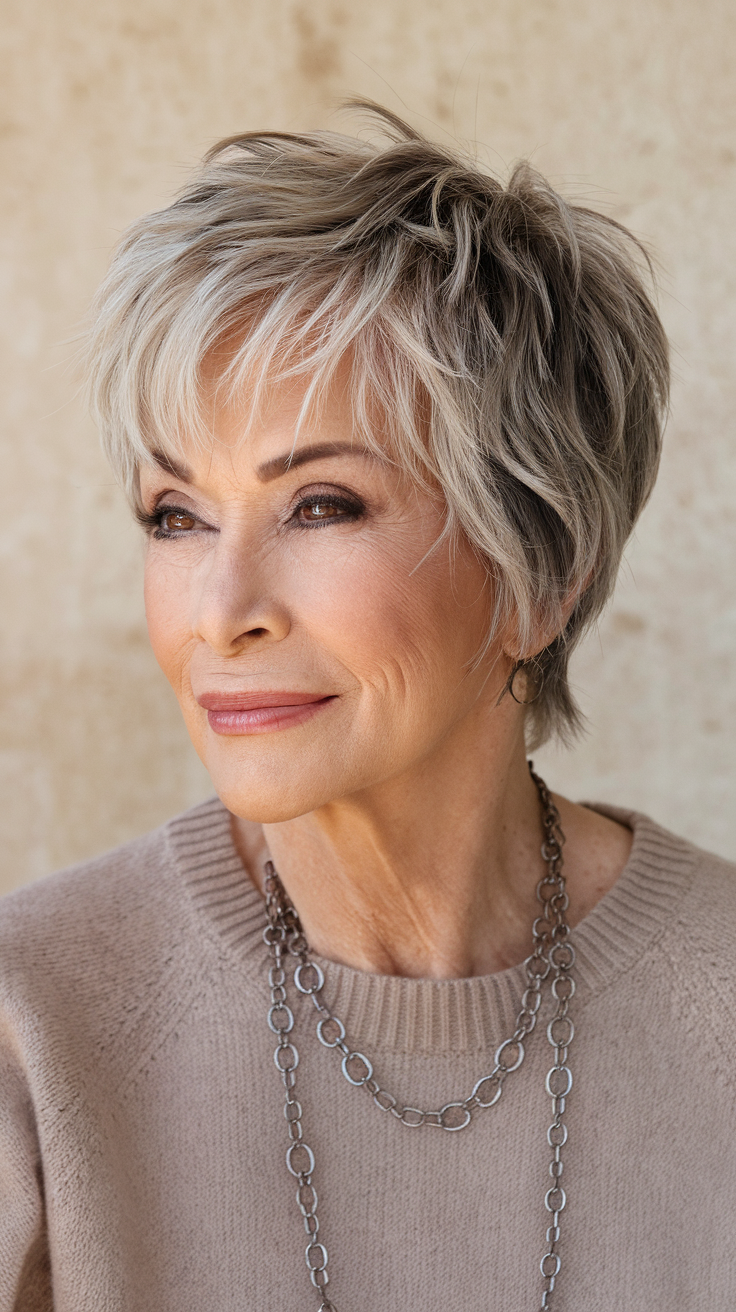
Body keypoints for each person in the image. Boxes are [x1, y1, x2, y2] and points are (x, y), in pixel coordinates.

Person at [1, 103, 733, 1312]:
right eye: (176, 516)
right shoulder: (40, 1021)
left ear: (538, 574)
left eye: (321, 504)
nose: (220, 609)